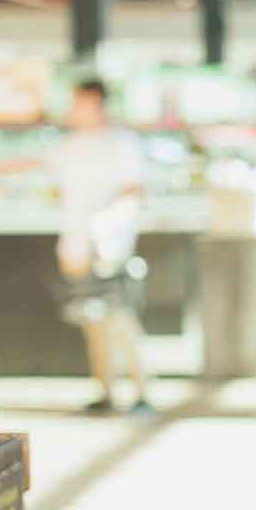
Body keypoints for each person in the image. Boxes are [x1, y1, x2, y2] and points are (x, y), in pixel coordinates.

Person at [52, 79, 152, 414]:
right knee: (92, 320)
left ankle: (141, 393)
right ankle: (105, 390)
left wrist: (104, 227)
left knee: (122, 320)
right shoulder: (70, 146)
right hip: (76, 245)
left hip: (112, 247)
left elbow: (133, 192)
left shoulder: (121, 144)